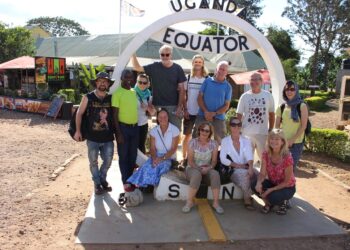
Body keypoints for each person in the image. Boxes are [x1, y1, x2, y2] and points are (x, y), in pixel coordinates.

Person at [74, 72, 115, 195]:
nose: (102, 83)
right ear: (96, 83)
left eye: (105, 81)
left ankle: (102, 179)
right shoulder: (88, 97)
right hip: (92, 137)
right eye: (100, 81)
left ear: (108, 84)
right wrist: (78, 130)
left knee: (108, 160)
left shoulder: (111, 98)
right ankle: (97, 184)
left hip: (107, 137)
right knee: (93, 162)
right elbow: (79, 114)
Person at [131, 44, 187, 130]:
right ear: (160, 55)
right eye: (162, 54)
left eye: (167, 54)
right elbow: (137, 67)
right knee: (160, 132)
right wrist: (132, 53)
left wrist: (179, 106)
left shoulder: (177, 68)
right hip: (158, 106)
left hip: (173, 106)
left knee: (175, 131)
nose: (165, 56)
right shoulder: (154, 67)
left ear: (171, 55)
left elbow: (182, 90)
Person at [127, 109, 180, 188]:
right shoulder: (154, 131)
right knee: (147, 166)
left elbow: (173, 149)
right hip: (156, 155)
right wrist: (155, 158)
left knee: (161, 167)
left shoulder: (175, 130)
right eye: (160, 117)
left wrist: (162, 158)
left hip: (169, 157)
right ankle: (138, 184)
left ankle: (150, 185)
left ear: (168, 117)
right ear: (157, 118)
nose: (163, 119)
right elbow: (152, 148)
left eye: (165, 117)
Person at [251, 129, 296, 215]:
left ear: (282, 142)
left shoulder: (287, 157)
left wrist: (270, 190)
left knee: (273, 196)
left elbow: (287, 182)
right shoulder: (266, 153)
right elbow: (262, 173)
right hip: (273, 183)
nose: (273, 141)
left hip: (287, 187)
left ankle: (283, 202)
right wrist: (259, 182)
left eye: (277, 139)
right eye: (272, 138)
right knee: (254, 185)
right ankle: (268, 204)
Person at [183, 122, 223, 214]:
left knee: (215, 174)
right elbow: (190, 161)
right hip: (193, 169)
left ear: (210, 133)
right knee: (197, 175)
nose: (204, 132)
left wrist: (208, 169)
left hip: (207, 169)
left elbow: (213, 162)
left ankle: (216, 203)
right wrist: (199, 169)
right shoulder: (192, 142)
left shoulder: (214, 144)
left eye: (207, 131)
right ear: (199, 130)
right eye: (202, 130)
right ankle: (189, 202)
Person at [220, 116, 257, 210]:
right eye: (233, 125)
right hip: (234, 170)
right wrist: (237, 165)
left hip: (246, 167)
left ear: (241, 126)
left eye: (238, 125)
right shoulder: (225, 141)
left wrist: (250, 167)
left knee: (259, 175)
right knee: (246, 176)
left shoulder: (246, 140)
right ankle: (247, 199)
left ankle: (265, 199)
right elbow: (223, 159)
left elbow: (249, 155)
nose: (236, 127)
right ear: (229, 126)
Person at [236, 72, 275, 161]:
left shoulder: (268, 95)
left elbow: (272, 114)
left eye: (256, 79)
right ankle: (248, 174)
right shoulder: (244, 96)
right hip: (247, 133)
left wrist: (270, 130)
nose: (254, 82)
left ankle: (263, 175)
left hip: (263, 134)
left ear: (261, 81)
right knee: (247, 160)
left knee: (264, 160)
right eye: (252, 80)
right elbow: (239, 115)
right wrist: (238, 131)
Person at [112, 69, 139, 192]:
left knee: (133, 157)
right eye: (126, 77)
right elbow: (114, 116)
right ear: (121, 78)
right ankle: (125, 182)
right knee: (123, 157)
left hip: (135, 128)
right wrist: (118, 133)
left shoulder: (134, 92)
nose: (129, 79)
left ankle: (131, 180)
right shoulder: (117, 93)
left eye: (131, 77)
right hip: (123, 129)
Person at [194, 61, 232, 144]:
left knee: (221, 142)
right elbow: (199, 98)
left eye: (224, 70)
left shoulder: (228, 87)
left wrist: (214, 113)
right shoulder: (207, 81)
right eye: (220, 69)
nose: (221, 71)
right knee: (196, 140)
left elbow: (226, 105)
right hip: (202, 115)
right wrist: (206, 112)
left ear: (227, 72)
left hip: (219, 118)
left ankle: (218, 157)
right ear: (216, 70)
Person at [275, 80, 308, 171]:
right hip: (282, 143)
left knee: (290, 169)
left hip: (296, 143)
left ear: (296, 90)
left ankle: (288, 185)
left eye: (292, 89)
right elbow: (277, 127)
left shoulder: (302, 106)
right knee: (279, 168)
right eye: (287, 89)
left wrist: (292, 139)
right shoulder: (281, 107)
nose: (289, 91)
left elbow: (303, 126)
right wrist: (278, 140)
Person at [182, 54, 208, 161]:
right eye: (195, 62)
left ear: (203, 64)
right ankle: (184, 158)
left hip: (201, 113)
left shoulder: (207, 79)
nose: (197, 63)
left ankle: (194, 158)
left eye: (199, 62)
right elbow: (184, 94)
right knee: (187, 135)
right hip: (189, 111)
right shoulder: (187, 78)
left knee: (199, 137)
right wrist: (185, 109)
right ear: (192, 63)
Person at [134, 73, 155, 154]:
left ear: (148, 84)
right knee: (133, 146)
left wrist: (147, 108)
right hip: (133, 124)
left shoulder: (148, 95)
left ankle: (141, 166)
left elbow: (153, 113)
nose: (142, 84)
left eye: (144, 83)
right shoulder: (132, 93)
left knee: (141, 145)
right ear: (136, 82)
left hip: (143, 124)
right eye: (140, 82)